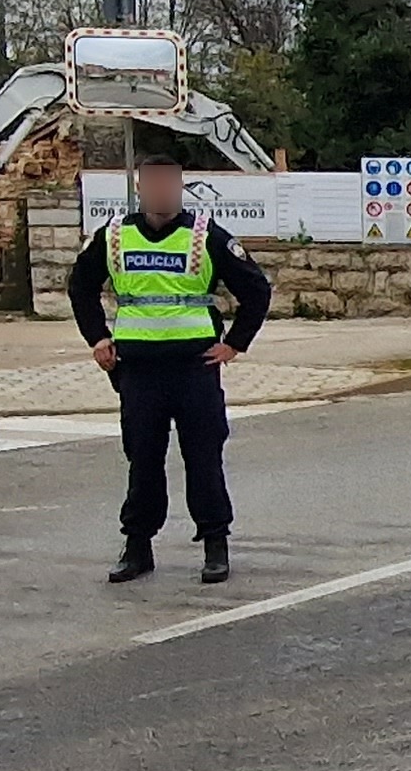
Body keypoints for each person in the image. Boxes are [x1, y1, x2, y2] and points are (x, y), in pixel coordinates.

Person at [69, 154, 271, 585]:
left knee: (203, 457)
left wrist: (235, 344)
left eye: (170, 185)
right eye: (153, 184)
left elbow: (256, 288)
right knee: (142, 460)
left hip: (194, 368)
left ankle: (215, 545)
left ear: (179, 189)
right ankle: (137, 547)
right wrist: (97, 337)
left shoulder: (205, 235)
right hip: (138, 371)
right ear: (140, 189)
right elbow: (80, 285)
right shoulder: (115, 236)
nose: (162, 192)